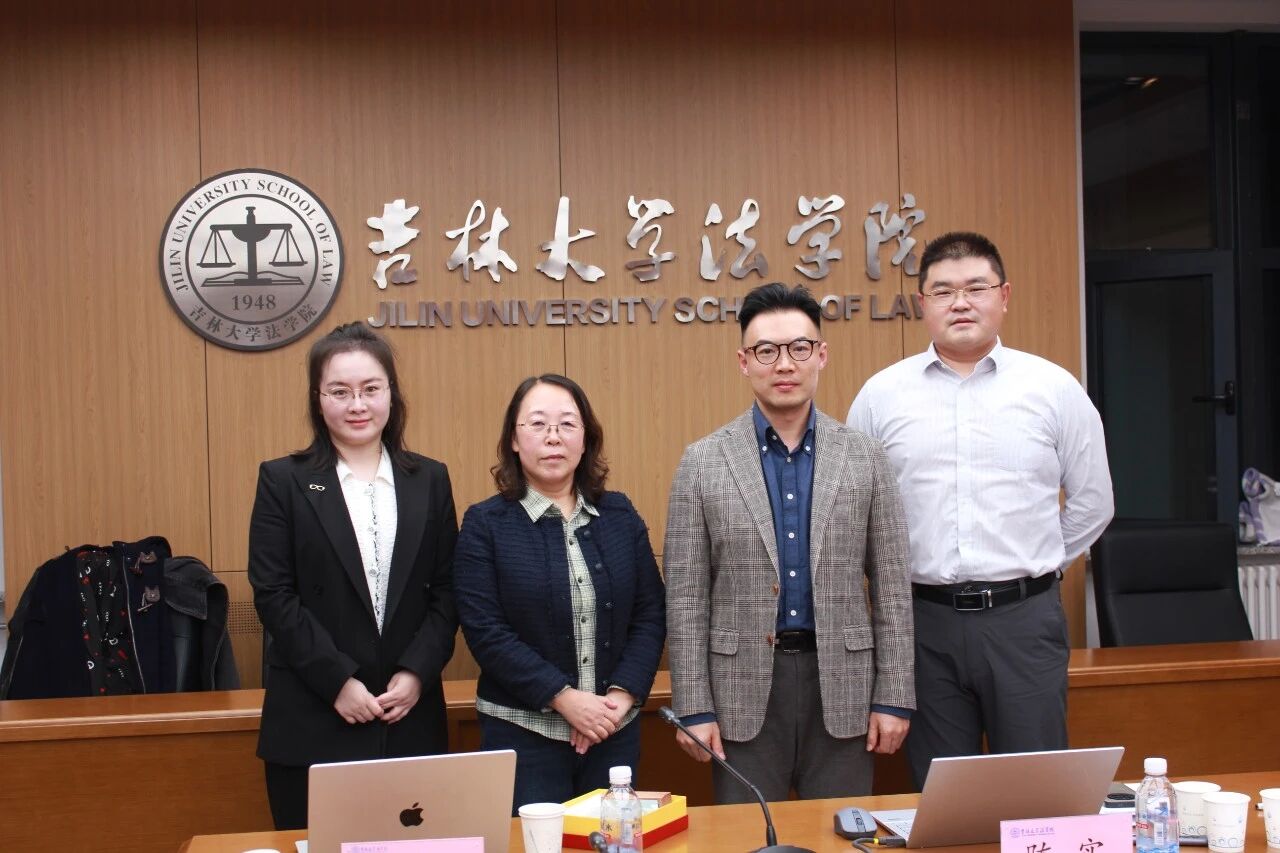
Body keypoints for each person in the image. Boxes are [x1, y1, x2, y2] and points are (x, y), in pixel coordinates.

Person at [847, 231, 1114, 788]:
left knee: (1037, 791)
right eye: (943, 291)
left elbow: (1093, 503)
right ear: (923, 304)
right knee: (944, 792)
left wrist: (1037, 563)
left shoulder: (1053, 389)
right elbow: (855, 513)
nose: (961, 303)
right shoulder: (881, 396)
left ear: (1004, 295)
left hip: (1024, 621)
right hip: (922, 624)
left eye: (976, 287)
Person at [664, 282, 915, 804]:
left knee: (842, 832)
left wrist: (894, 696)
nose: (784, 364)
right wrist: (693, 705)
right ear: (744, 361)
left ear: (821, 355)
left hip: (843, 685)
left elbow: (892, 586)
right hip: (740, 692)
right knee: (748, 836)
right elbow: (686, 597)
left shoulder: (865, 457)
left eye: (799, 348)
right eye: (766, 351)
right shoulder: (703, 461)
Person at [248, 321, 458, 830]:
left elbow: (449, 590)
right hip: (315, 716)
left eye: (370, 389)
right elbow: (274, 596)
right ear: (318, 399)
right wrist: (337, 681)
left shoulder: (429, 478)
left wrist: (417, 673)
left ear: (392, 394)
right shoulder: (283, 480)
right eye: (339, 391)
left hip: (408, 716)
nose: (357, 405)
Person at [454, 374, 666, 814]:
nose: (553, 437)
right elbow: (485, 631)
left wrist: (618, 699)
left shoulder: (619, 513)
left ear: (586, 439)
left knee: (612, 841)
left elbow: (650, 613)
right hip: (522, 733)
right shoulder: (485, 524)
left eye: (568, 424)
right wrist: (565, 700)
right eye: (537, 424)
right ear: (514, 440)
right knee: (536, 843)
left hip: (613, 729)